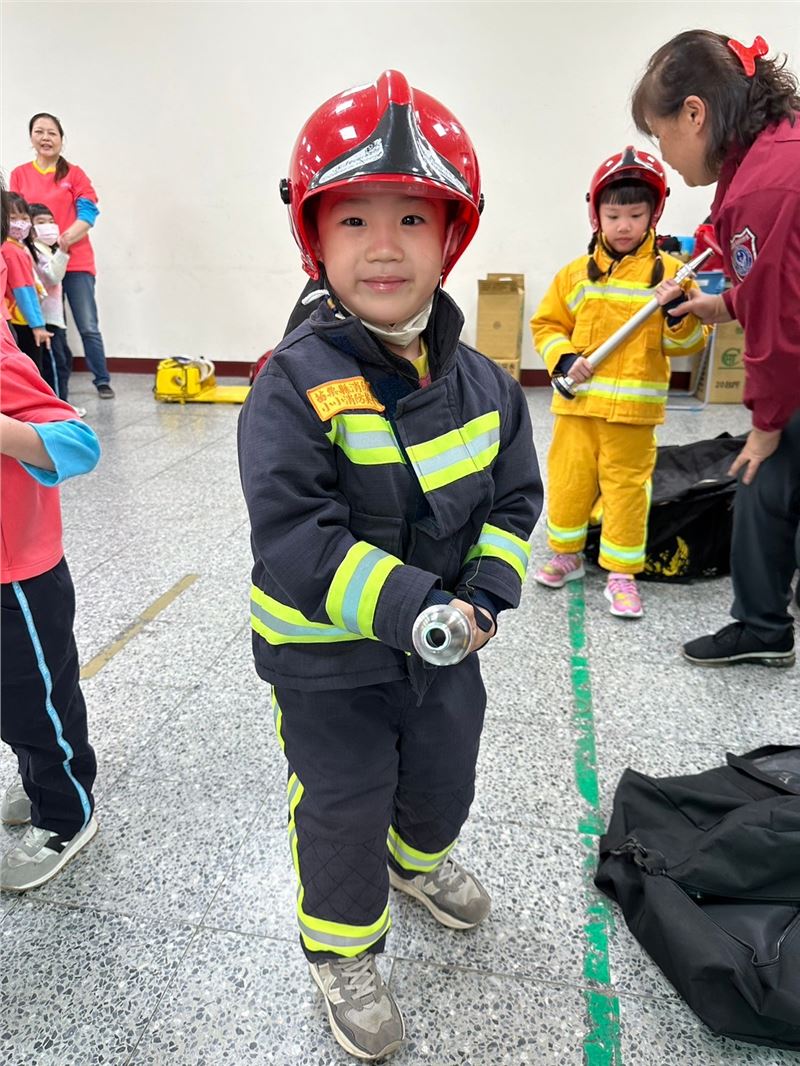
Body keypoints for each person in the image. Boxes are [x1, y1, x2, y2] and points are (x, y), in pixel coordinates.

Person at [238, 70, 542, 1061]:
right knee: (342, 806)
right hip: (325, 661)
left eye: (411, 218)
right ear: (314, 238)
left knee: (444, 774)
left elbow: (512, 503)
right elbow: (299, 538)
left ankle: (418, 862)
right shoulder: (289, 386)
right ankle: (343, 951)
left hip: (447, 648)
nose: (383, 246)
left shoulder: (488, 386)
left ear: (451, 236)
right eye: (354, 219)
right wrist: (418, 607)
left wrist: (484, 596)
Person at [633, 30, 800, 666]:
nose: (668, 157)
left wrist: (765, 423)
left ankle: (762, 629)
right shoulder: (770, 150)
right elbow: (776, 278)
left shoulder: (765, 186)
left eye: (661, 135)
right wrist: (723, 304)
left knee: (761, 474)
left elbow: (782, 327)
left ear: (695, 113)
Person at [530, 147, 709, 617]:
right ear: (597, 216)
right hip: (578, 408)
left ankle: (621, 573)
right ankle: (566, 554)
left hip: (633, 415)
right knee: (569, 482)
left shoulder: (671, 278)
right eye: (613, 216)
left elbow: (691, 342)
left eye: (635, 215)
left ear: (654, 214)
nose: (624, 225)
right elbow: (546, 325)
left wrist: (676, 313)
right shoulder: (575, 275)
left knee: (627, 491)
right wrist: (565, 357)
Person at [0, 182, 101, 892]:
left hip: (20, 580)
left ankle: (67, 811)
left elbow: (78, 443)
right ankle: (43, 778)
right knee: (13, 705)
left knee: (38, 702)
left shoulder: (5, 362)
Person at [10, 113, 114, 398]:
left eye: (52, 132)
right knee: (55, 327)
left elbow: (89, 211)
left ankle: (102, 380)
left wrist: (66, 240)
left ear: (61, 139)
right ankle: (57, 388)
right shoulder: (20, 174)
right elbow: (15, 213)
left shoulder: (74, 174)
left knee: (88, 325)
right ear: (31, 137)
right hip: (39, 264)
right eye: (39, 132)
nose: (45, 138)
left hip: (76, 259)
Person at [1, 192, 51, 372]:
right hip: (22, 320)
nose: (20, 223)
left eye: (24, 218)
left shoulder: (12, 247)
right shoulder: (12, 251)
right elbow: (24, 290)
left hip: (14, 318)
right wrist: (38, 325)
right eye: (13, 218)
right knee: (32, 371)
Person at [28, 202, 72, 402]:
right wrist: (63, 252)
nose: (48, 226)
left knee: (63, 361)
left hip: (54, 317)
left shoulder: (46, 249)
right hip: (45, 319)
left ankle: (63, 404)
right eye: (41, 222)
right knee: (54, 366)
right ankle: (59, 407)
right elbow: (53, 277)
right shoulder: (35, 251)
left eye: (51, 221)